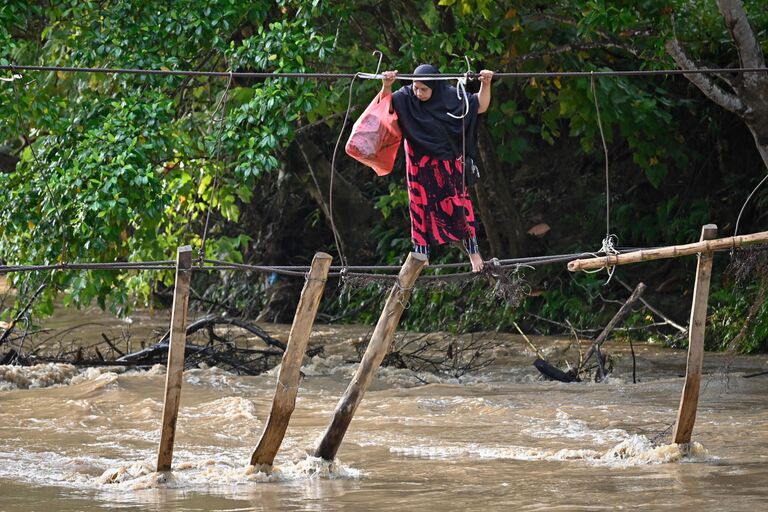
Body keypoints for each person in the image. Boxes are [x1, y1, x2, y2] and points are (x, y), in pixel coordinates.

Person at [381, 64, 493, 272]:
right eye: (416, 87)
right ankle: (421, 254)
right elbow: (384, 108)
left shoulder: (451, 96)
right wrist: (387, 85)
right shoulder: (406, 98)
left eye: (424, 89)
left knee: (460, 206)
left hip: (448, 163)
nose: (418, 93)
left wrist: (485, 84)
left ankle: (474, 253)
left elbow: (480, 106)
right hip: (418, 163)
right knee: (419, 207)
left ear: (435, 87)